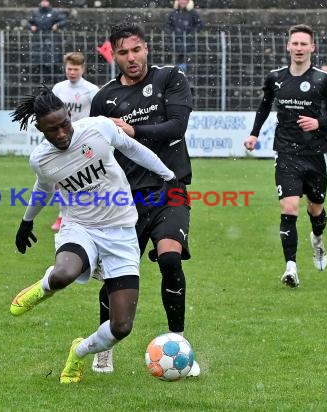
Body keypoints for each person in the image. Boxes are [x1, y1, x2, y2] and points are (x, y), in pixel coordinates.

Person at [9, 86, 178, 384]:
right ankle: (45, 287)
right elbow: (42, 189)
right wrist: (27, 221)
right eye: (52, 130)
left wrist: (168, 176)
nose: (61, 134)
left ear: (70, 116)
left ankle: (79, 352)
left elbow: (133, 149)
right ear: (39, 129)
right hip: (80, 227)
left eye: (64, 124)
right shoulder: (41, 160)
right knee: (64, 274)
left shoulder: (98, 129)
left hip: (122, 230)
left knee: (122, 326)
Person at [89, 23, 200, 376]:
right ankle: (104, 349)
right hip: (125, 202)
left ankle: (179, 343)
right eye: (123, 53)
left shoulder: (169, 78)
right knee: (117, 280)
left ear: (146, 49)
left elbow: (176, 127)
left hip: (171, 189)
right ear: (114, 56)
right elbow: (94, 155)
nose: (131, 58)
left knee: (170, 259)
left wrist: (131, 130)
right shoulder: (103, 99)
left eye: (136, 50)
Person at [244, 24, 327, 288]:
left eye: (304, 44)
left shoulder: (323, 79)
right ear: (288, 46)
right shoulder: (275, 77)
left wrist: (319, 122)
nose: (299, 48)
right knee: (289, 208)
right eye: (295, 43)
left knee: (316, 209)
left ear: (312, 47)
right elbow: (265, 105)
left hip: (314, 154)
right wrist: (254, 134)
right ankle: (291, 267)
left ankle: (318, 239)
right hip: (286, 152)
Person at [50, 52, 100, 231]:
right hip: (62, 140)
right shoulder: (58, 89)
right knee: (59, 179)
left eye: (75, 69)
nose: (72, 72)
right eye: (69, 69)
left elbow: (98, 115)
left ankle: (87, 215)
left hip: (83, 140)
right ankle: (62, 215)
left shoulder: (91, 90)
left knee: (86, 179)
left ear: (83, 69)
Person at [27, 0, 67, 81]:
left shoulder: (54, 13)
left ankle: (54, 79)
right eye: (43, 1)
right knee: (40, 60)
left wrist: (57, 25)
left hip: (51, 39)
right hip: (39, 40)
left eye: (46, 1)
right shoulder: (36, 13)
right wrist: (31, 27)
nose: (44, 3)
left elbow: (64, 21)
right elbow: (28, 22)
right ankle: (42, 80)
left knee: (53, 59)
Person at [166, 0, 202, 72]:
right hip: (176, 44)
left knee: (190, 67)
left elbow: (199, 25)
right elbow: (168, 25)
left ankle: (189, 81)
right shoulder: (173, 13)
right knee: (175, 67)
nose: (182, 1)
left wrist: (191, 33)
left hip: (189, 45)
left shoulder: (193, 13)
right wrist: (173, 33)